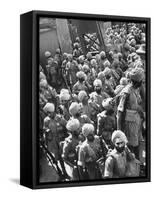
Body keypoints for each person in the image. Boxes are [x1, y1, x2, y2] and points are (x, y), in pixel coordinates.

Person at [117, 68, 145, 159]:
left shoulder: (135, 89)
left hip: (136, 122)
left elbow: (137, 105)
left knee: (137, 144)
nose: (142, 83)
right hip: (129, 124)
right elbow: (120, 112)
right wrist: (119, 132)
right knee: (132, 147)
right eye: (141, 81)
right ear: (137, 81)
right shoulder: (126, 92)